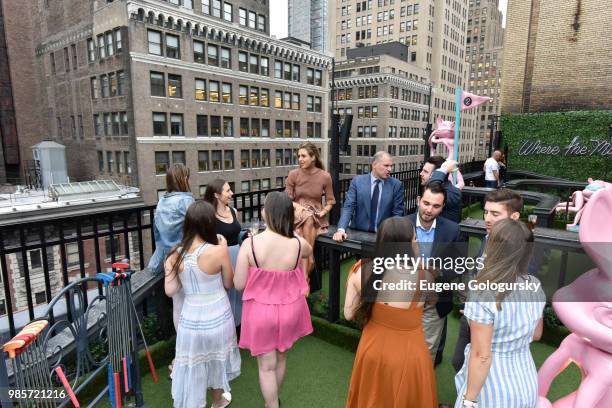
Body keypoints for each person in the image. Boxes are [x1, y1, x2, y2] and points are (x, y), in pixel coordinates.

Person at [344, 217, 438, 408]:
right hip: (412, 355)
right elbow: (429, 303)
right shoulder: (426, 276)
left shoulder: (361, 271)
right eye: (414, 238)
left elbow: (348, 314)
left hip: (373, 351)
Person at [234, 192, 313, 408]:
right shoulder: (296, 243)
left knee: (266, 367)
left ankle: (272, 405)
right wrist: (295, 232)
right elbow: (308, 249)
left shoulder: (249, 245)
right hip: (290, 310)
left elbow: (239, 283)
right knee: (281, 359)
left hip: (261, 312)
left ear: (265, 213)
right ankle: (272, 403)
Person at [454, 219, 545, 408]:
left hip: (492, 387)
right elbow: (536, 334)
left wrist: (469, 401)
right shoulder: (535, 284)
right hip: (526, 379)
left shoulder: (482, 291)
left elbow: (482, 356)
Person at [164, 201, 241, 408]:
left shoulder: (174, 254)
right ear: (209, 224)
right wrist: (224, 249)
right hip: (217, 314)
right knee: (217, 359)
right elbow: (229, 283)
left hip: (190, 317)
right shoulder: (218, 251)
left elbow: (170, 290)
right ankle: (217, 401)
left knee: (194, 361)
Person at [451, 188, 523, 373]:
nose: (488, 218)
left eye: (495, 213)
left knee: (482, 371)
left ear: (514, 216)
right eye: (486, 212)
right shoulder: (487, 238)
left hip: (497, 329)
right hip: (471, 318)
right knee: (459, 363)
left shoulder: (521, 252)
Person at [406, 182, 464, 364]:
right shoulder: (401, 224)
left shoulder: (453, 229)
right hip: (404, 298)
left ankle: (420, 389)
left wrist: (435, 273)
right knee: (403, 348)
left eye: (436, 206)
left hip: (435, 299)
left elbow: (458, 265)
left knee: (427, 352)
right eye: (426, 203)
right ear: (418, 200)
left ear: (443, 207)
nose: (429, 210)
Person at [146, 164, 194, 376]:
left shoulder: (161, 202)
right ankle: (188, 354)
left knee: (178, 306)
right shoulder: (186, 200)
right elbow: (195, 230)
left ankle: (180, 354)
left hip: (169, 258)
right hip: (187, 257)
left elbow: (158, 236)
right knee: (193, 305)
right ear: (183, 178)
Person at [285, 142, 336, 278]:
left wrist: (324, 212)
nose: (300, 159)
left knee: (309, 218)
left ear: (313, 157)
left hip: (316, 214)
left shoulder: (325, 176)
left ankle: (306, 269)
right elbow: (287, 199)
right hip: (296, 212)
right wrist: (300, 207)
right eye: (298, 156)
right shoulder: (293, 174)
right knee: (307, 217)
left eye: (303, 156)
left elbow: (331, 201)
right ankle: (310, 259)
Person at [333, 152, 404, 242]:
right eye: (386, 165)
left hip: (384, 237)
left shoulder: (396, 185)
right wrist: (341, 230)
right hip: (359, 235)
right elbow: (349, 207)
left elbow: (397, 213)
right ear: (374, 165)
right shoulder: (357, 182)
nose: (389, 169)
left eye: (391, 166)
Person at [204, 179, 244, 337]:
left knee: (239, 294)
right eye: (228, 191)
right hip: (220, 259)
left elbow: (237, 233)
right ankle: (224, 333)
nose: (232, 193)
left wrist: (246, 235)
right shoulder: (208, 216)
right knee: (224, 295)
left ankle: (239, 329)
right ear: (216, 195)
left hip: (238, 256)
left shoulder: (233, 211)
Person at [420, 155, 463, 223]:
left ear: (435, 175)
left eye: (425, 171)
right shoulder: (429, 187)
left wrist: (443, 169)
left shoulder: (453, 192)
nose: (421, 173)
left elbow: (433, 190)